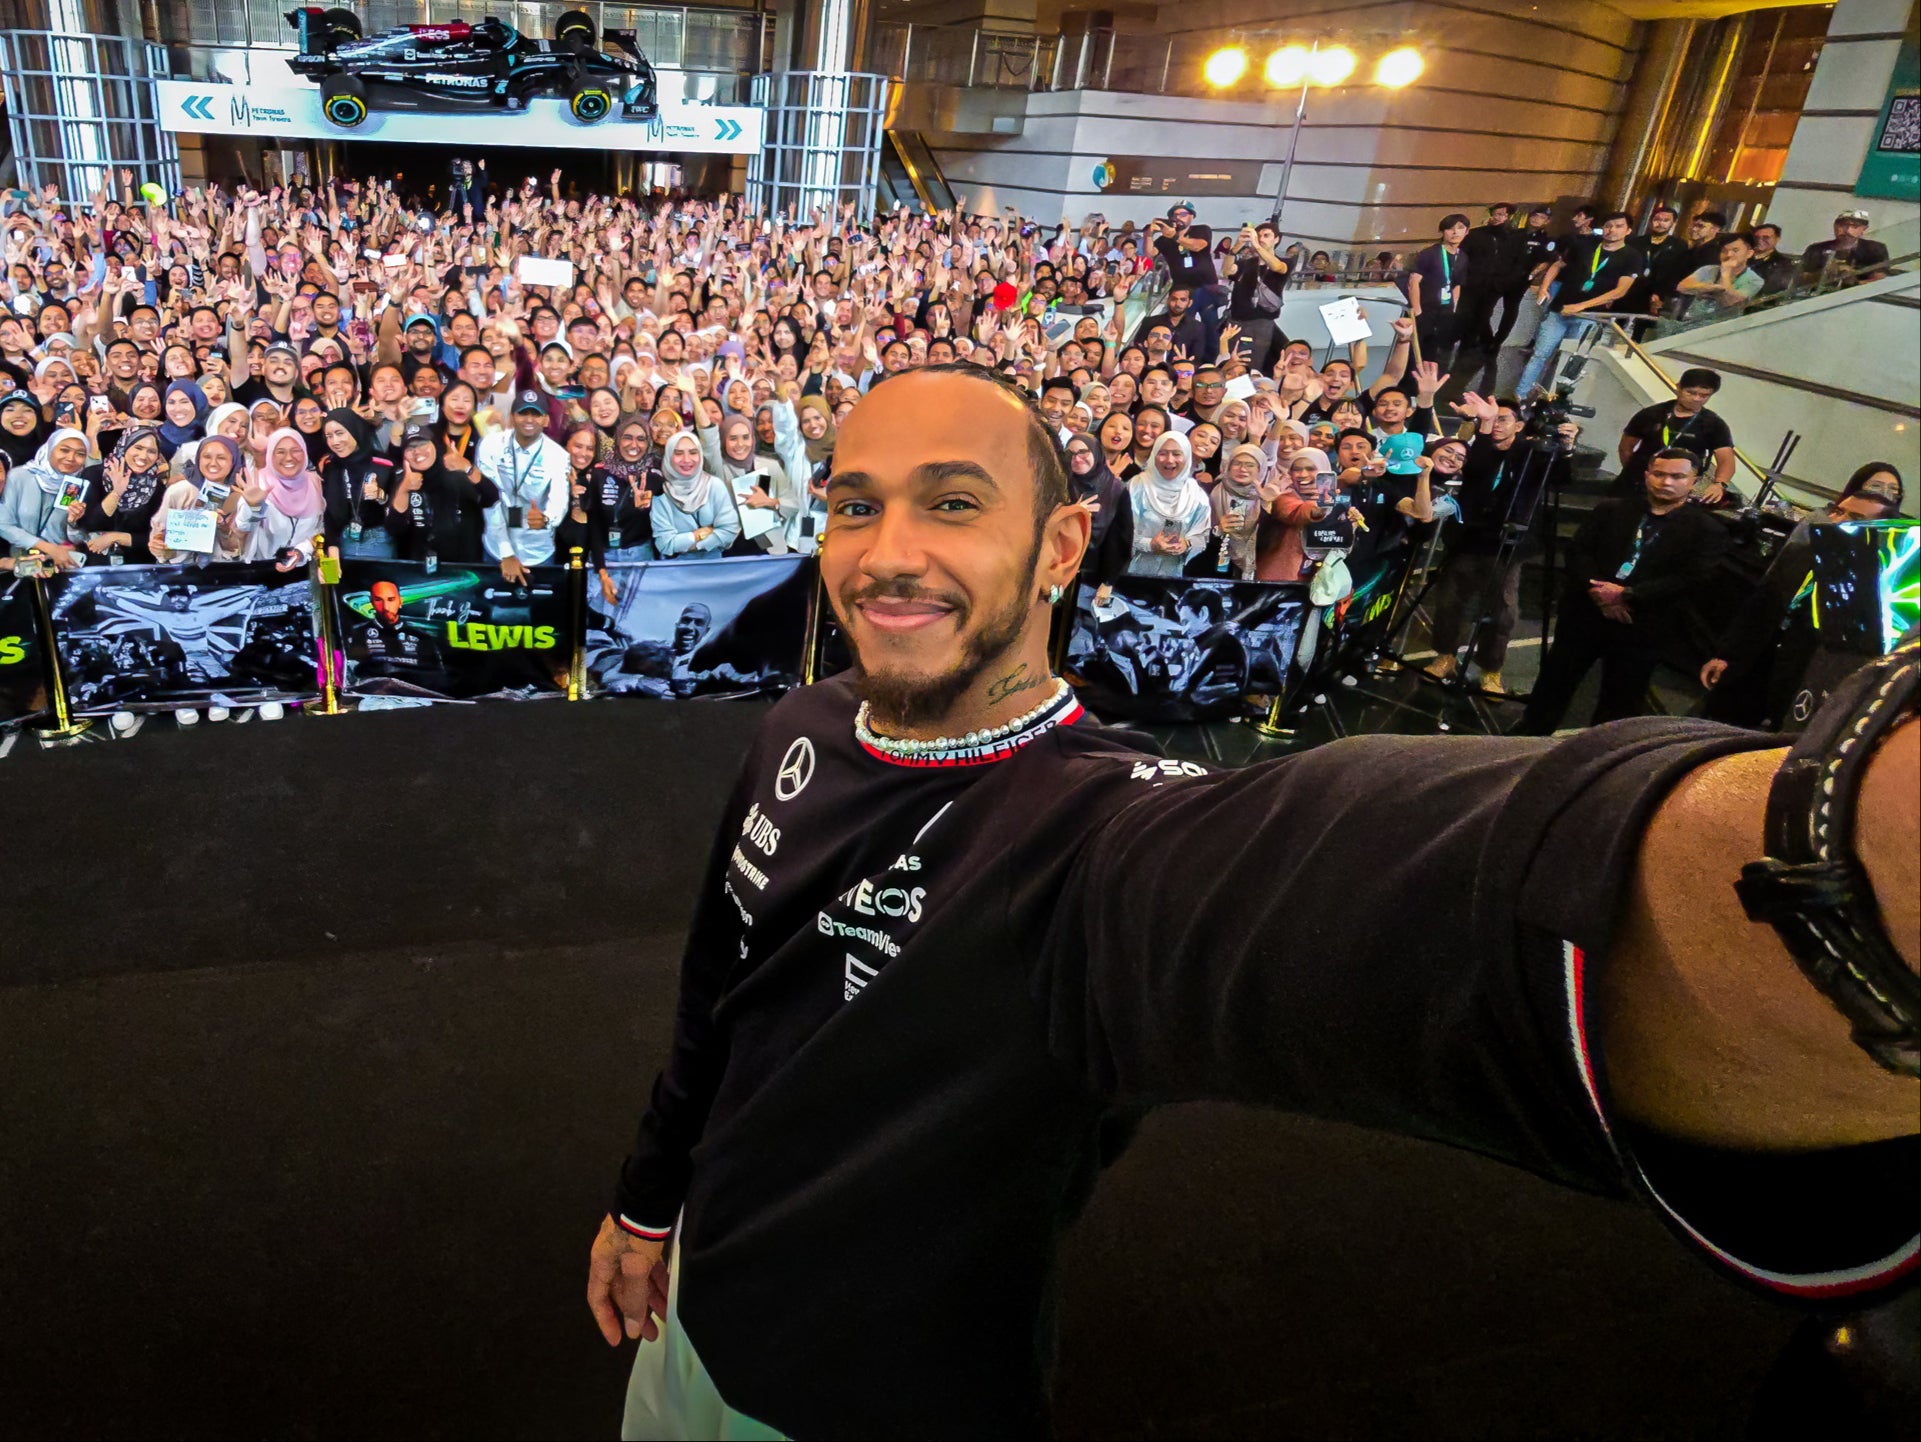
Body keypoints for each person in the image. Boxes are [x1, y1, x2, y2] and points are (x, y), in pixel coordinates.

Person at [586, 364, 1920, 1438]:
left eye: (949, 505)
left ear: (1059, 545)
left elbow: (1433, 882)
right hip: (691, 1306)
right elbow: (720, 993)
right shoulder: (801, 726)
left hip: (874, 1397)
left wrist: (1850, 869)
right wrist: (650, 1205)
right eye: (851, 502)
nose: (883, 555)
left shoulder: (1104, 841)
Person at [1518, 447, 1731, 733]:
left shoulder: (1707, 530)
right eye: (1659, 474)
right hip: (1586, 615)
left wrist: (1628, 595)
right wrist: (1602, 595)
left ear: (1694, 481)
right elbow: (1579, 552)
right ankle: (1526, 739)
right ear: (1646, 475)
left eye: (1677, 476)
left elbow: (1692, 578)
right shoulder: (1612, 509)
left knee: (1619, 703)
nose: (1666, 482)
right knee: (1553, 685)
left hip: (1641, 625)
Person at [1698, 463, 1905, 727]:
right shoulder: (1802, 553)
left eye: (1854, 518)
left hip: (1799, 687)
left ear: (1882, 529)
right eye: (1839, 512)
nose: (1838, 522)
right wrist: (1726, 654)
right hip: (1752, 666)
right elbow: (1759, 606)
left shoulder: (1880, 589)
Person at [1424, 392, 1578, 694]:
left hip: (1510, 543)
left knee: (1503, 611)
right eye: (1491, 418)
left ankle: (1491, 669)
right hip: (1468, 539)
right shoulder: (1479, 449)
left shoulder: (1531, 452)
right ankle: (1445, 656)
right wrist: (1481, 424)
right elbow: (1479, 467)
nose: (1495, 424)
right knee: (1450, 601)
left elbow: (1560, 478)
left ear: (1519, 426)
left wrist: (1568, 447)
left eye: (1502, 419)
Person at [1516, 212, 1646, 398]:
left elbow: (1620, 290)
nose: (1612, 230)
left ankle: (1554, 399)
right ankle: (1520, 395)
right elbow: (1557, 265)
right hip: (1560, 310)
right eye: (1609, 225)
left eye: (1619, 226)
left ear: (1628, 230)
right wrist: (1544, 287)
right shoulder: (1585, 245)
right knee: (1540, 354)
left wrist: (1582, 306)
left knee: (1571, 359)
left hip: (1590, 316)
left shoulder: (1632, 256)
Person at [477, 389, 571, 586]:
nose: (529, 419)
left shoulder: (558, 455)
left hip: (538, 552)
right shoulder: (491, 445)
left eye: (536, 414)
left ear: (546, 420)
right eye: (523, 413)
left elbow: (559, 501)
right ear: (512, 417)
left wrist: (547, 519)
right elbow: (489, 501)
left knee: (539, 614)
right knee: (493, 612)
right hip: (496, 550)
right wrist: (506, 553)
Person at [1614, 368, 1735, 502]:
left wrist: (1719, 484)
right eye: (1691, 393)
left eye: (1704, 396)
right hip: (1635, 484)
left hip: (1677, 489)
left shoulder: (1713, 424)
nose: (1696, 399)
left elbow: (1726, 460)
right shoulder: (1651, 414)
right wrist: (1634, 472)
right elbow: (1626, 447)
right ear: (1678, 388)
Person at [1125, 430, 1209, 576]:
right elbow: (1122, 532)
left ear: (1187, 457)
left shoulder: (1196, 493)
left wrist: (1186, 544)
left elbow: (1201, 535)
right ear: (1154, 455)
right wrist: (1149, 545)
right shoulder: (1137, 486)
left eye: (1177, 454)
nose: (1169, 460)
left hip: (1175, 578)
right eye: (1163, 453)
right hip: (1132, 574)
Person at [650, 429, 741, 559]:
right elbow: (665, 544)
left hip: (714, 567)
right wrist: (699, 535)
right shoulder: (661, 494)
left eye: (693, 453)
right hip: (676, 572)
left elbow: (729, 531)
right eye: (678, 453)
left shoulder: (715, 486)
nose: (686, 460)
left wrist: (688, 543)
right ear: (669, 457)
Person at [1404, 213, 1471, 375]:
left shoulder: (1462, 257)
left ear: (1467, 232)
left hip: (1445, 311)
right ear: (1443, 232)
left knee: (1435, 353)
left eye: (1460, 228)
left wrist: (1453, 307)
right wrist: (1417, 310)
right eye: (1450, 228)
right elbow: (1414, 282)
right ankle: (1409, 387)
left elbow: (1457, 285)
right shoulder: (1430, 254)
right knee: (1414, 354)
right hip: (1425, 310)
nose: (1455, 233)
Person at [1673, 232, 1764, 325]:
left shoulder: (1755, 280)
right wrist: (1707, 287)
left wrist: (1725, 273)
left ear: (1749, 253)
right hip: (1692, 321)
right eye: (1724, 251)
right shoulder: (1708, 269)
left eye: (1735, 250)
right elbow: (1682, 286)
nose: (1729, 255)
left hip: (1722, 326)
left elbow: (1731, 303)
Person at [1799, 209, 1890, 285]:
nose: (1847, 230)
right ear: (1835, 227)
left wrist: (1853, 281)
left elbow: (1879, 279)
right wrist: (1822, 274)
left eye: (1854, 226)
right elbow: (1800, 278)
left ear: (1863, 229)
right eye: (1842, 225)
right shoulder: (1816, 249)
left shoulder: (1874, 249)